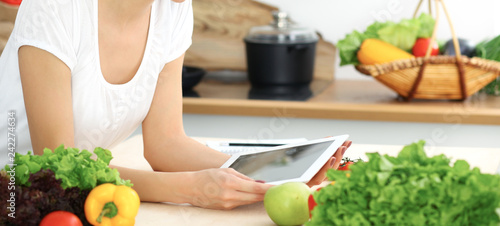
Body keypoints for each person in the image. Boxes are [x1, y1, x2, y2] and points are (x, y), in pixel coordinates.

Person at [0, 0, 351, 209]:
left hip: (76, 198)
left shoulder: (172, 10)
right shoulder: (56, 8)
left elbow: (166, 144)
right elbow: (58, 164)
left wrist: (276, 170)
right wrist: (192, 189)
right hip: (13, 195)